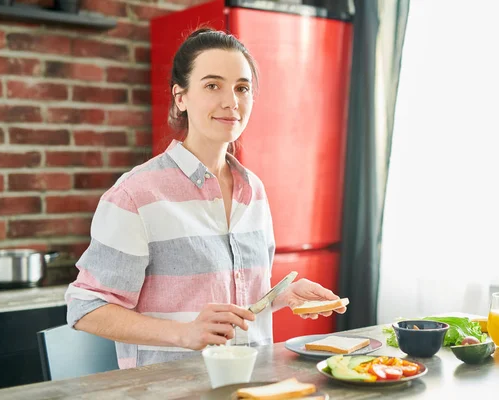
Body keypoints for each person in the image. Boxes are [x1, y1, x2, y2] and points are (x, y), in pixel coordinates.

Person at [65, 27, 346, 369]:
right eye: (213, 85)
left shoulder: (253, 191)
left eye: (242, 88)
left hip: (250, 386)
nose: (232, 101)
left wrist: (279, 296)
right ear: (180, 97)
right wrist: (184, 333)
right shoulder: (136, 194)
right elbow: (86, 307)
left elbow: (238, 299)